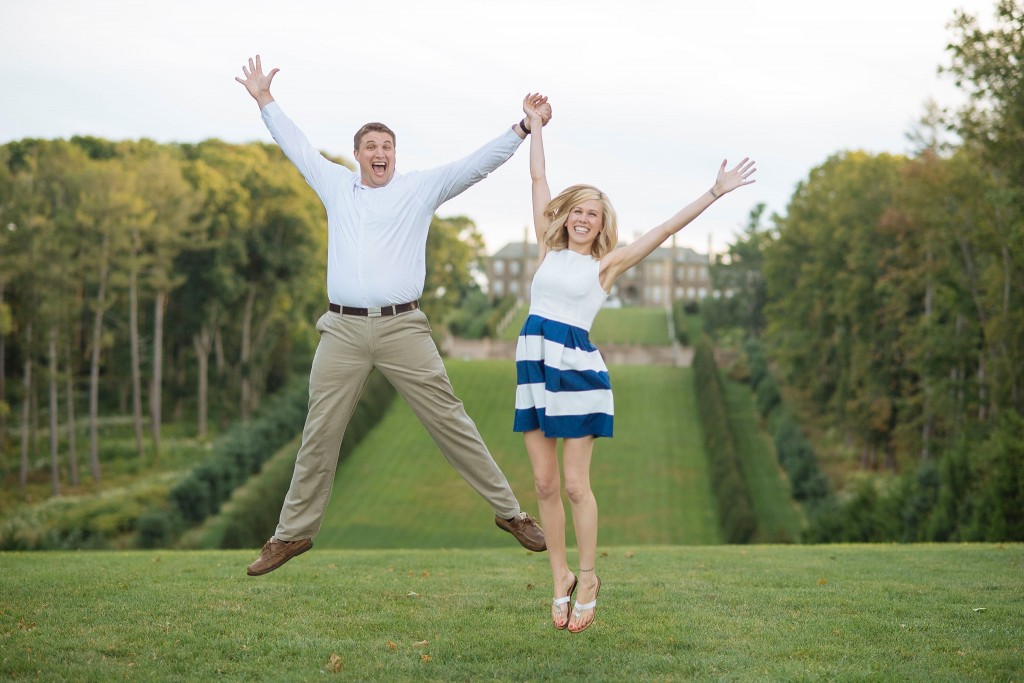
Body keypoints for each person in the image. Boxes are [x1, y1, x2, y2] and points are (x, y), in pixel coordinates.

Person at [235, 55, 550, 576]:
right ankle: (290, 536)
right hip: (342, 329)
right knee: (319, 431)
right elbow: (296, 147)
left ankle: (511, 514)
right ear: (357, 155)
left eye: (387, 147)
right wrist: (265, 100)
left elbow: (476, 164)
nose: (380, 154)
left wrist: (522, 126)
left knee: (452, 420)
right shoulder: (336, 187)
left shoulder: (419, 189)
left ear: (395, 155)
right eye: (371, 147)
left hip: (404, 328)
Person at [515, 93, 756, 632]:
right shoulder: (545, 250)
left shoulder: (608, 265)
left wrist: (714, 193)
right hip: (532, 366)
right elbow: (538, 184)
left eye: (592, 215)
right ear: (567, 216)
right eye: (577, 210)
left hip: (577, 371)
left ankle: (589, 575)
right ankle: (558, 576)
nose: (581, 219)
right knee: (544, 485)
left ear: (602, 226)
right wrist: (535, 128)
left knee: (576, 485)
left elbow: (665, 231)